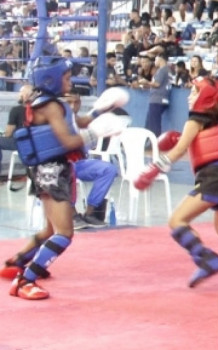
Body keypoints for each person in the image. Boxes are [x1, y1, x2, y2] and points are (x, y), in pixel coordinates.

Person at [1, 59, 127, 300]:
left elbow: (76, 123)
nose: (70, 81)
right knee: (64, 232)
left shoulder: (48, 103)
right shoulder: (51, 106)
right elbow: (68, 141)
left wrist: (100, 109)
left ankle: (16, 262)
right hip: (53, 170)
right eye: (67, 78)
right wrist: (96, 133)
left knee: (50, 229)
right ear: (51, 79)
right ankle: (24, 281)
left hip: (47, 170)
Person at [134, 75, 218, 287]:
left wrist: (152, 169)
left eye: (194, 92)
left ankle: (206, 260)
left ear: (205, 97)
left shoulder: (195, 121)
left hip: (214, 177)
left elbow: (178, 150)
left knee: (177, 220)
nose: (189, 97)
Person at [63, 91, 122, 228]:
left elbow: (88, 144)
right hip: (61, 165)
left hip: (80, 163)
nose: (72, 106)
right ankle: (72, 215)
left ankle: (89, 213)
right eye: (68, 102)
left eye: (76, 102)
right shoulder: (56, 121)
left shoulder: (79, 121)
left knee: (109, 169)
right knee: (66, 169)